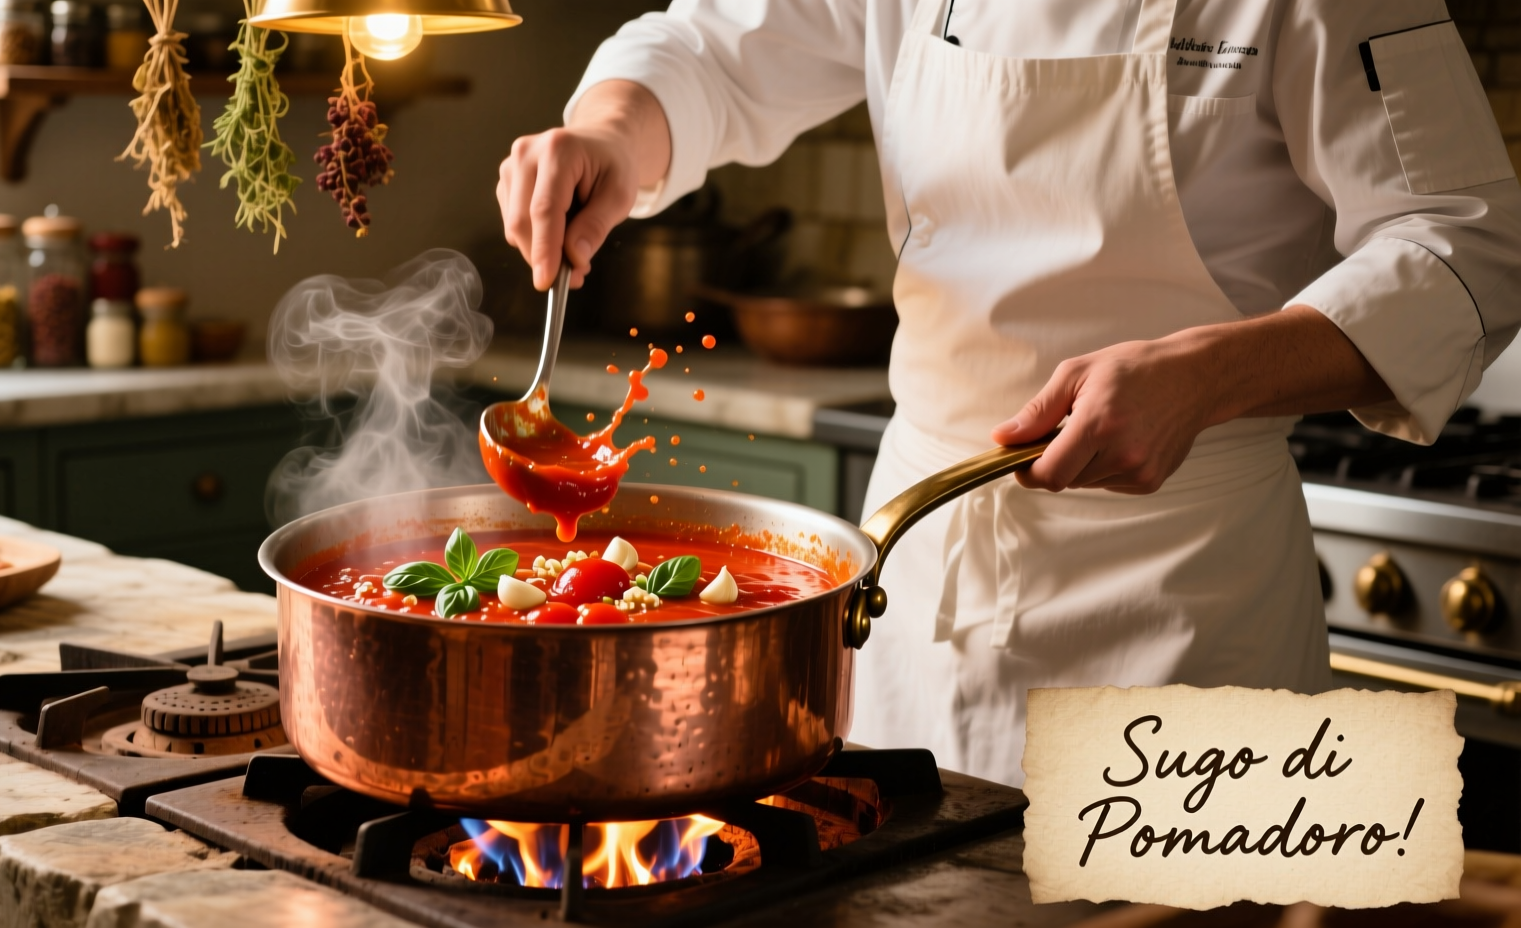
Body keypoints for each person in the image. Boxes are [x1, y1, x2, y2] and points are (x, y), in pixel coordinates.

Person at [495, 0, 1521, 786]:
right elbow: (716, 49)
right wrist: (612, 136)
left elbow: (1465, 242)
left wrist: (1206, 374)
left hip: (1184, 596)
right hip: (914, 581)